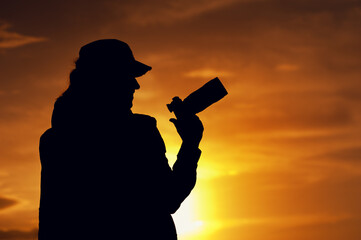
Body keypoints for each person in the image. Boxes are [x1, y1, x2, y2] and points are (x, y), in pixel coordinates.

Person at [38, 39, 204, 240]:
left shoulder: (53, 140)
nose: (136, 84)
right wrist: (190, 144)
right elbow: (168, 198)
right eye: (127, 76)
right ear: (106, 79)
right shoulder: (138, 132)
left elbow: (52, 224)